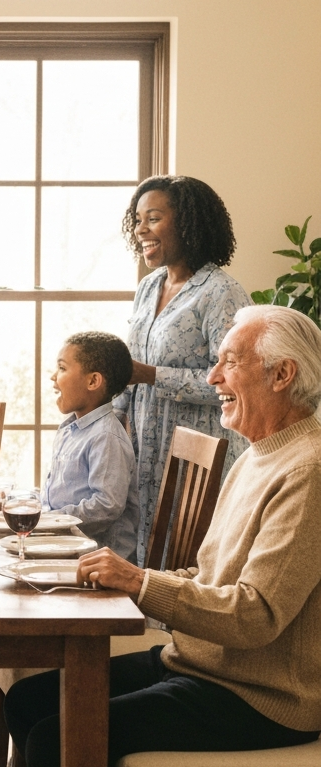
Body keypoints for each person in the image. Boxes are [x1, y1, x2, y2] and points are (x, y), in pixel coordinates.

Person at [6, 305, 321, 767]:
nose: (211, 376)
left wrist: (141, 584)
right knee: (30, 700)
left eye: (230, 361)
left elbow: (256, 614)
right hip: (200, 661)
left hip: (261, 693)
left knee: (57, 740)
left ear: (284, 373)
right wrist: (125, 580)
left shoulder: (308, 472)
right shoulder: (263, 453)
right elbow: (209, 575)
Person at [116, 175, 252, 567]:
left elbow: (234, 380)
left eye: (153, 218)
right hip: (146, 448)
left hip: (199, 460)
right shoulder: (149, 286)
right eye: (138, 219)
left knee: (188, 566)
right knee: (147, 557)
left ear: (188, 224)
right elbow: (131, 361)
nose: (141, 229)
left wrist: (153, 376)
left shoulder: (221, 293)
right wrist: (114, 418)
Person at [45, 331, 139, 562]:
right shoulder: (71, 429)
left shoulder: (106, 437)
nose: (53, 377)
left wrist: (52, 520)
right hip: (65, 546)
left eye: (62, 368)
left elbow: (107, 505)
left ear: (93, 381)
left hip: (98, 561)